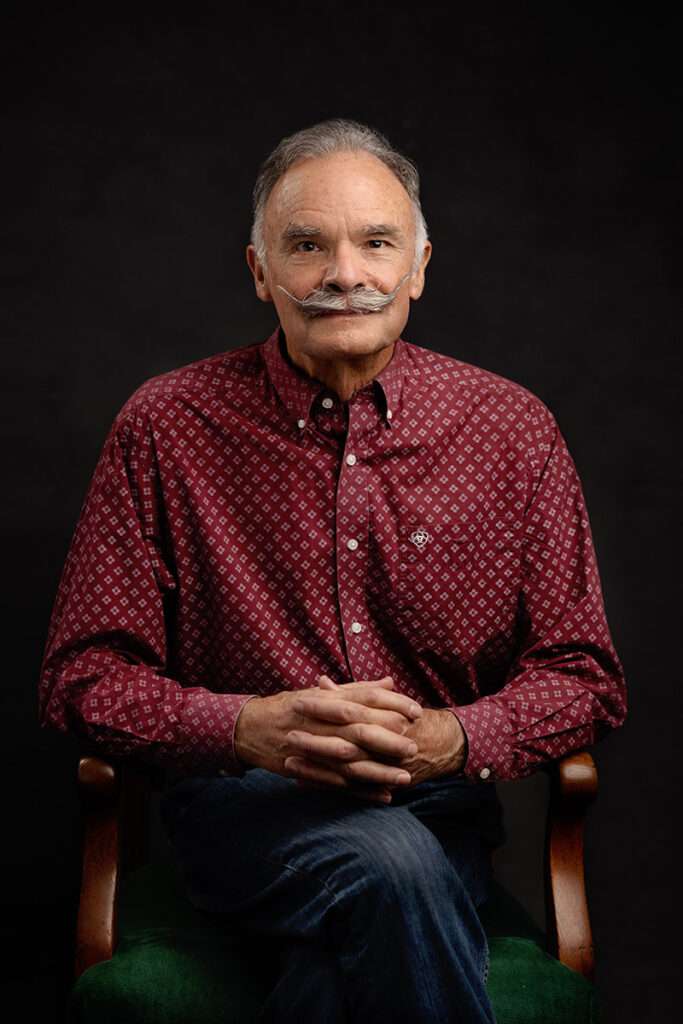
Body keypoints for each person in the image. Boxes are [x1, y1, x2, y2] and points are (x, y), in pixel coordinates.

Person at [38, 118, 628, 1023]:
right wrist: (244, 729)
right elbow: (81, 681)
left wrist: (451, 739)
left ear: (420, 266)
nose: (344, 274)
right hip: (242, 819)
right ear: (259, 270)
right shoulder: (165, 426)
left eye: (376, 243)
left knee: (372, 908)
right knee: (392, 867)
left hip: (439, 815)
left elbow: (583, 678)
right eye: (306, 245)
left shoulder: (511, 429)